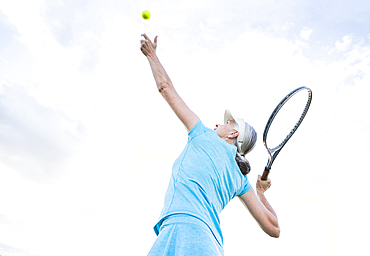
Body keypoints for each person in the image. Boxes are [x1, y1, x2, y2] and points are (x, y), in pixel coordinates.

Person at [140, 34, 280, 256]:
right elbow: (273, 228)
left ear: (233, 133)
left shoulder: (202, 135)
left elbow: (165, 87)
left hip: (182, 233)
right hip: (208, 245)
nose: (218, 124)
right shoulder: (238, 178)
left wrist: (152, 55)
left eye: (226, 123)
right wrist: (260, 192)